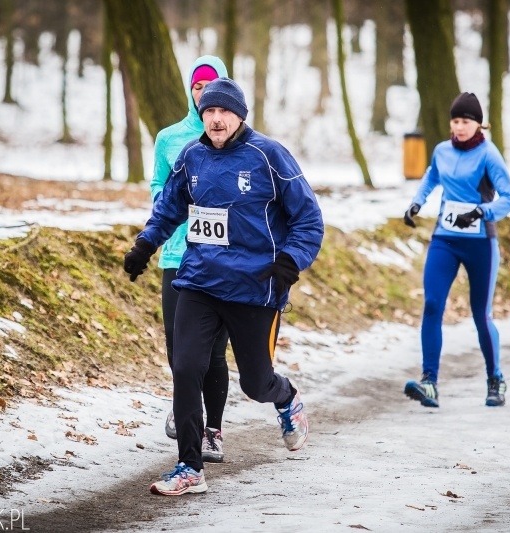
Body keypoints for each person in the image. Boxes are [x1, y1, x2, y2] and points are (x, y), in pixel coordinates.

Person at [124, 77, 324, 496]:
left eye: (224, 112)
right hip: (200, 281)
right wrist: (145, 244)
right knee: (185, 367)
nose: (216, 119)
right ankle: (189, 466)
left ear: (240, 116)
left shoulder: (268, 155)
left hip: (255, 288)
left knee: (256, 383)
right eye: (209, 111)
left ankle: (285, 398)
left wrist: (290, 260)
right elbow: (169, 208)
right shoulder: (191, 156)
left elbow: (309, 219)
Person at [402, 92, 510, 408]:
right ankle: (429, 382)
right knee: (432, 305)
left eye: (466, 121)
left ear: (478, 123)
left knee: (481, 314)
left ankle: (495, 378)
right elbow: (432, 176)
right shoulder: (442, 150)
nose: (460, 127)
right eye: (455, 121)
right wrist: (416, 203)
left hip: (480, 243)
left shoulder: (488, 155)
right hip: (445, 238)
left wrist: (481, 212)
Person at [152, 55, 230, 464]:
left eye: (211, 86)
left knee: (214, 351)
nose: (204, 94)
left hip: (224, 261)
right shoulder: (169, 139)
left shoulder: (237, 139)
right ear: (190, 90)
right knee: (177, 344)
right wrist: (169, 205)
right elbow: (157, 183)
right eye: (198, 87)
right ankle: (187, 406)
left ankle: (212, 430)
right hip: (178, 254)